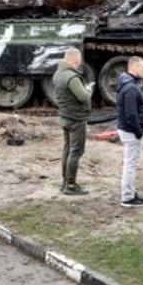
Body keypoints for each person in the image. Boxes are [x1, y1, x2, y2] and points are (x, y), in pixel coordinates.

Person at [53, 48, 92, 195]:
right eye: (79, 59)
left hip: (65, 116)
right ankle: (70, 185)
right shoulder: (72, 77)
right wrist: (88, 90)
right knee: (75, 152)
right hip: (76, 119)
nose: (80, 61)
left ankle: (65, 182)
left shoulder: (58, 74)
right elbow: (83, 97)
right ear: (76, 60)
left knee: (67, 150)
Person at [116, 56, 143, 207]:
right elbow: (131, 114)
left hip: (127, 130)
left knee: (130, 163)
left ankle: (130, 192)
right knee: (131, 164)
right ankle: (127, 198)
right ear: (134, 68)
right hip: (131, 131)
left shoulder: (127, 84)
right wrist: (138, 131)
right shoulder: (131, 88)